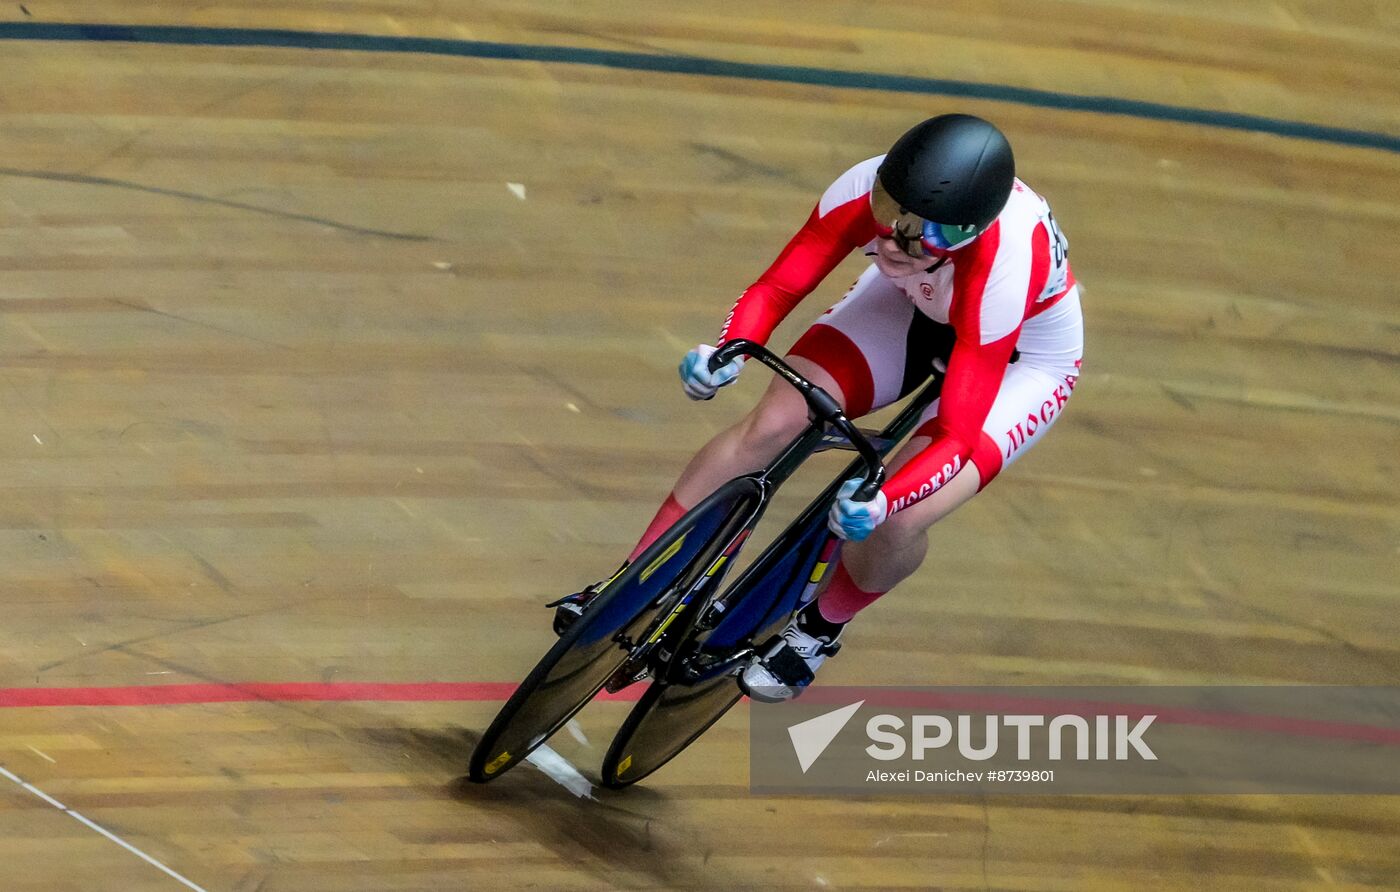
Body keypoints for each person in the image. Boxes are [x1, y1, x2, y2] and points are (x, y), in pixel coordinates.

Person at [554, 113, 1083, 701]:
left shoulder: (1002, 267)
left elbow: (957, 435)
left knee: (905, 516)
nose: (890, 239)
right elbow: (779, 287)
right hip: (913, 298)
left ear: (965, 233)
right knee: (776, 421)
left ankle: (820, 628)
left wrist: (888, 497)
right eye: (889, 213)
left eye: (919, 233)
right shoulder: (868, 190)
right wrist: (730, 350)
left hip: (1019, 357)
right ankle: (633, 580)